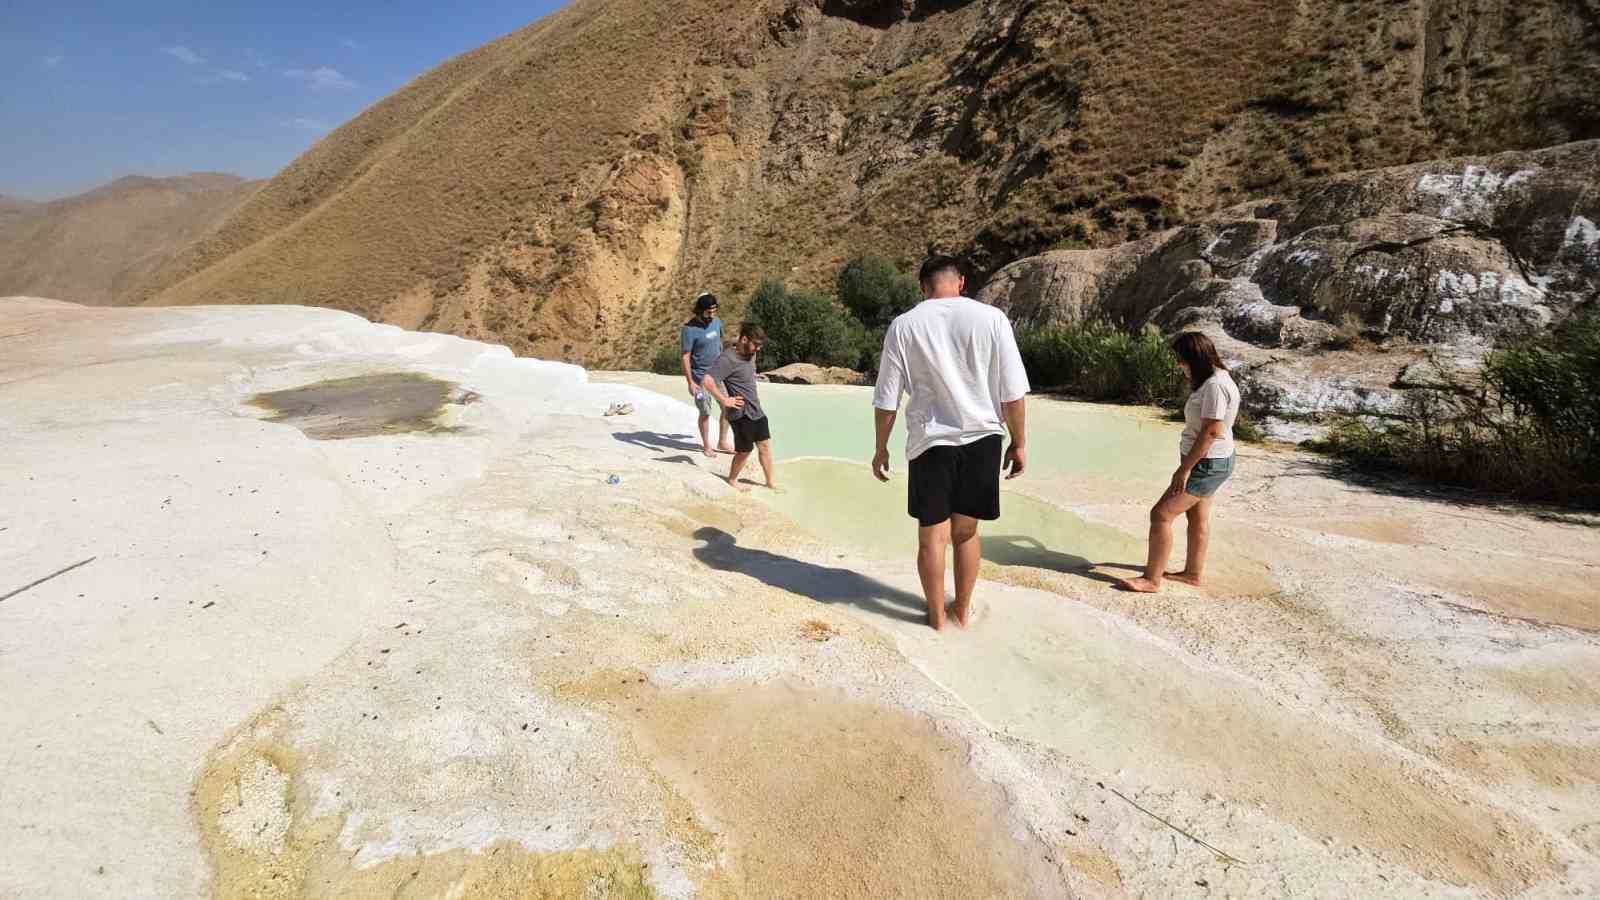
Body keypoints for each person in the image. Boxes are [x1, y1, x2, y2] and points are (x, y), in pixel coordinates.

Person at [871, 255, 1029, 631]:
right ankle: (962, 611)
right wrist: (1019, 442)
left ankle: (936, 619)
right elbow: (1012, 391)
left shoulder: (904, 325)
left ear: (923, 287)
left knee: (932, 537)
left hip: (930, 442)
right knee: (966, 532)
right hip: (983, 437)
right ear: (961, 282)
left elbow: (887, 398)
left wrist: (881, 448)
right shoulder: (992, 318)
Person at [1118, 331, 1240, 593]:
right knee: (1198, 517)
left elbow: (1211, 431)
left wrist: (1184, 470)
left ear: (1195, 358)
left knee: (1161, 515)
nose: (1178, 365)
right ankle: (1192, 574)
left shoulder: (1215, 386)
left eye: (1181, 359)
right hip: (1211, 461)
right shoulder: (1215, 379)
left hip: (1206, 464)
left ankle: (1151, 580)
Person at [701, 323, 776, 492]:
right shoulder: (727, 360)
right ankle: (732, 480)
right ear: (744, 339)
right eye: (756, 344)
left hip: (756, 409)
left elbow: (746, 373)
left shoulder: (751, 354)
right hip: (741, 414)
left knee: (764, 446)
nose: (758, 349)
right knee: (744, 451)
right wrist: (724, 400)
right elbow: (707, 380)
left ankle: (770, 483)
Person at [680, 292, 733, 458]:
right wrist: (690, 382)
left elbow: (720, 342)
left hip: (718, 375)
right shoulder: (689, 329)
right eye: (709, 312)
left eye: (714, 311)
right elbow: (685, 356)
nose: (712, 315)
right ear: (700, 310)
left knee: (728, 407)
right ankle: (706, 445)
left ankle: (722, 441)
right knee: (705, 412)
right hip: (700, 379)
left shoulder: (717, 322)